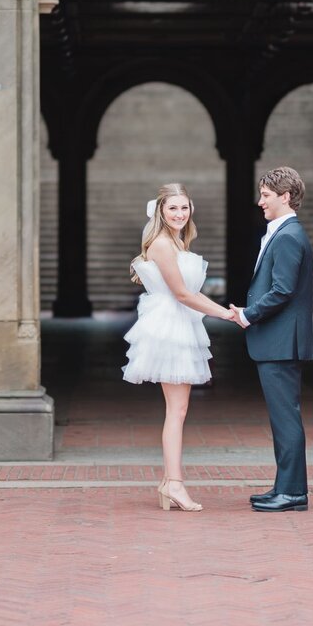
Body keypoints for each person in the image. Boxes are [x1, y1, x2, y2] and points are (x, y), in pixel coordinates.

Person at [123, 183, 233, 512]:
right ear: (160, 211)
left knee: (178, 410)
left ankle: (169, 482)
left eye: (184, 208)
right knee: (177, 411)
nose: (180, 214)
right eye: (173, 208)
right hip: (169, 329)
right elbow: (183, 294)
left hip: (180, 325)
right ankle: (174, 483)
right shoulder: (161, 244)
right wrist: (227, 313)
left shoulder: (175, 241)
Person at [230, 166, 313, 512]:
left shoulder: (290, 236)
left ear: (285, 196)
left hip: (281, 342)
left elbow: (282, 291)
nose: (259, 201)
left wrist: (248, 315)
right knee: (283, 417)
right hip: (278, 340)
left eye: (266, 195)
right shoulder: (283, 233)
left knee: (285, 418)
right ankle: (285, 486)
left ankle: (293, 493)